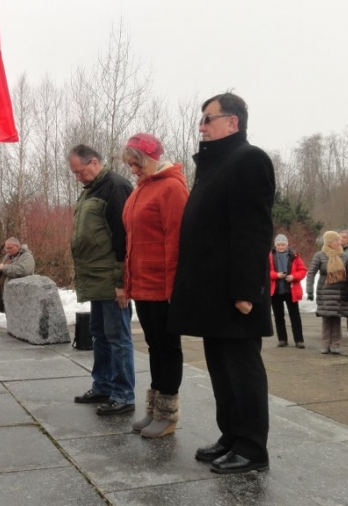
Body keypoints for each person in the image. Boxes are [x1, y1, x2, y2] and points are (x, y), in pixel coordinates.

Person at [168, 92, 275, 474]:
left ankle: (252, 448)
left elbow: (253, 230)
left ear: (233, 122)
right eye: (201, 120)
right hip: (211, 291)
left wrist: (246, 290)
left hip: (235, 292)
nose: (201, 126)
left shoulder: (249, 159)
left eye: (208, 119)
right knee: (220, 368)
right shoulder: (214, 164)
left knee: (242, 370)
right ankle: (231, 436)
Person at [121, 133, 189, 438]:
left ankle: (167, 413)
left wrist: (175, 289)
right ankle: (155, 408)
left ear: (152, 158)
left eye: (137, 164)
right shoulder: (141, 188)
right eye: (130, 165)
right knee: (154, 346)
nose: (133, 170)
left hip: (162, 285)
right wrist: (127, 280)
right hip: (143, 284)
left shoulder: (171, 187)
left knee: (167, 347)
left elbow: (177, 241)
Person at [68, 144, 136, 415]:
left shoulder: (115, 187)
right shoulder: (90, 190)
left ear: (94, 162)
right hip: (95, 278)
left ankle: (123, 395)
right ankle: (103, 386)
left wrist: (121, 282)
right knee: (99, 335)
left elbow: (124, 237)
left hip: (110, 278)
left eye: (79, 171)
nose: (77, 177)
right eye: (74, 173)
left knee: (118, 338)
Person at [305, 231, 348, 354]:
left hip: (339, 292)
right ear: (328, 242)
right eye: (335, 240)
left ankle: (335, 344)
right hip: (324, 291)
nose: (338, 242)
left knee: (337, 318)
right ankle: (325, 344)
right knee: (326, 318)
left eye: (338, 240)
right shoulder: (319, 255)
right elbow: (311, 273)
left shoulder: (344, 256)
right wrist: (309, 290)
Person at [270, 234, 307, 348]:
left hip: (291, 290)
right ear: (275, 245)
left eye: (283, 244)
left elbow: (303, 270)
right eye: (279, 245)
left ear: (287, 245)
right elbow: (265, 272)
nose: (281, 247)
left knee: (295, 316)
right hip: (276, 290)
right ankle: (282, 339)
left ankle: (299, 340)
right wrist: (276, 275)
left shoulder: (294, 256)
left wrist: (294, 277)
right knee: (278, 316)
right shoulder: (270, 256)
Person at [0, 237, 35, 313]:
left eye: (10, 248)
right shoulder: (8, 256)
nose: (7, 250)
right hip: (5, 291)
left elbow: (23, 270)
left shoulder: (27, 256)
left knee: (17, 314)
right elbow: (5, 270)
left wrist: (4, 267)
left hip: (19, 294)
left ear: (17, 246)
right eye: (6, 248)